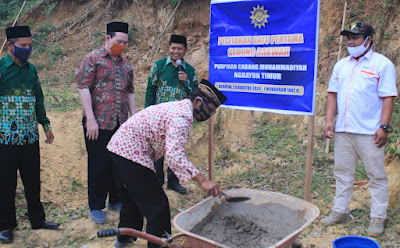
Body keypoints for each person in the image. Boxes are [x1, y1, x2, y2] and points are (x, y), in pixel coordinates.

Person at [107, 79, 226, 248]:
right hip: (130, 152)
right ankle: (158, 245)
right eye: (210, 111)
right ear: (198, 102)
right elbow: (175, 156)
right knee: (158, 207)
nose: (209, 116)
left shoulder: (180, 107)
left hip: (119, 148)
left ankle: (124, 237)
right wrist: (203, 181)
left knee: (134, 197)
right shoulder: (182, 117)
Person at [320, 21, 397, 237]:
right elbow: (332, 94)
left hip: (369, 132)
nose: (351, 42)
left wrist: (383, 126)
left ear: (368, 40)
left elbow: (388, 97)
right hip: (344, 131)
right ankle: (339, 211)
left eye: (355, 38)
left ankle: (378, 217)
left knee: (376, 176)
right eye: (348, 38)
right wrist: (328, 120)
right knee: (343, 174)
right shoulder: (340, 65)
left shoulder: (382, 64)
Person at [0, 26, 60, 243]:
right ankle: (6, 225)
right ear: (10, 45)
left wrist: (45, 125)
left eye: (30, 45)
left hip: (29, 137)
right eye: (23, 46)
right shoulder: (1, 69)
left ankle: (38, 219)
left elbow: (39, 99)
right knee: (6, 183)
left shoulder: (31, 70)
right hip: (5, 138)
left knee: (33, 181)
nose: (28, 49)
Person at [76, 22, 136, 224]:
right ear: (108, 39)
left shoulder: (126, 65)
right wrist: (90, 118)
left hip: (119, 123)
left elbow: (130, 92)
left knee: (117, 165)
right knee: (98, 165)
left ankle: (115, 200)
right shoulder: (93, 59)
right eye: (119, 41)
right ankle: (96, 205)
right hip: (98, 123)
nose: (122, 45)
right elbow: (84, 88)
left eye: (125, 43)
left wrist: (133, 118)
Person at [145, 34, 198, 194]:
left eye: (179, 49)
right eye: (173, 48)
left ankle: (173, 182)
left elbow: (196, 96)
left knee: (175, 149)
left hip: (178, 120)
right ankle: (157, 181)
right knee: (157, 150)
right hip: (159, 117)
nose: (176, 51)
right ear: (169, 48)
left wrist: (187, 82)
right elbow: (150, 90)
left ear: (185, 50)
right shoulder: (159, 66)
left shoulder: (190, 71)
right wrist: (148, 112)